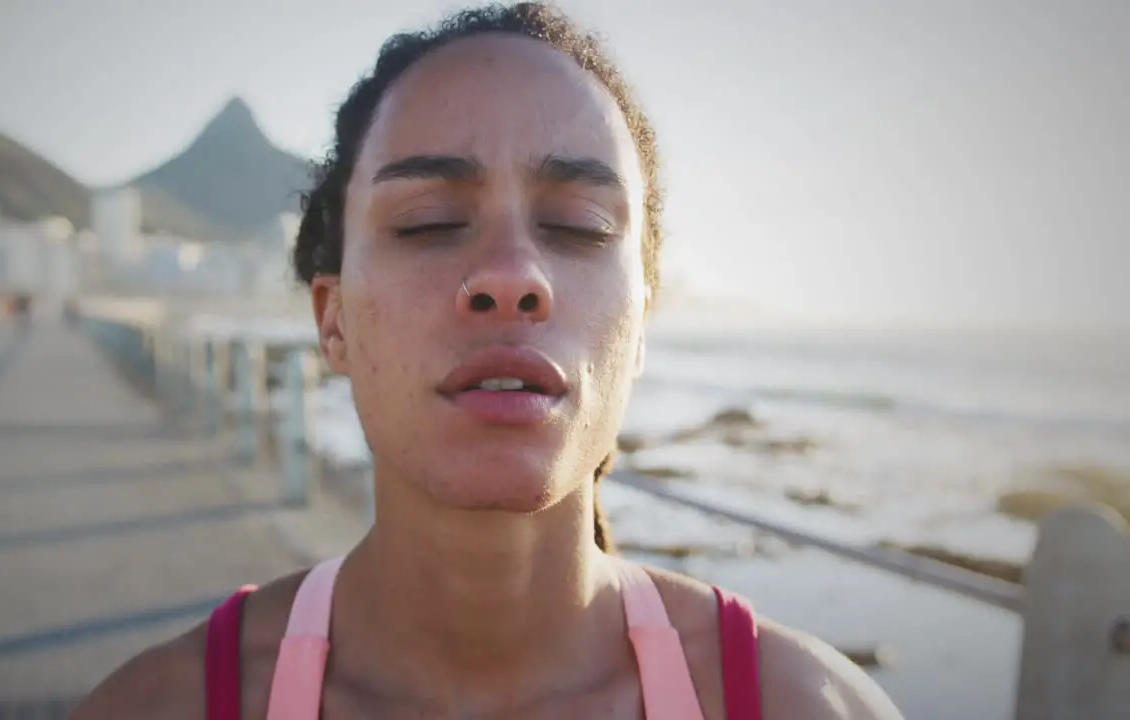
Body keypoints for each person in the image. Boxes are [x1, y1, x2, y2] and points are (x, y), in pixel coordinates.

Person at [74, 3, 904, 718]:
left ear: (641, 322)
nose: (511, 277)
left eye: (578, 224)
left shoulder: (805, 705)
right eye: (430, 220)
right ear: (332, 322)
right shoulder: (163, 706)